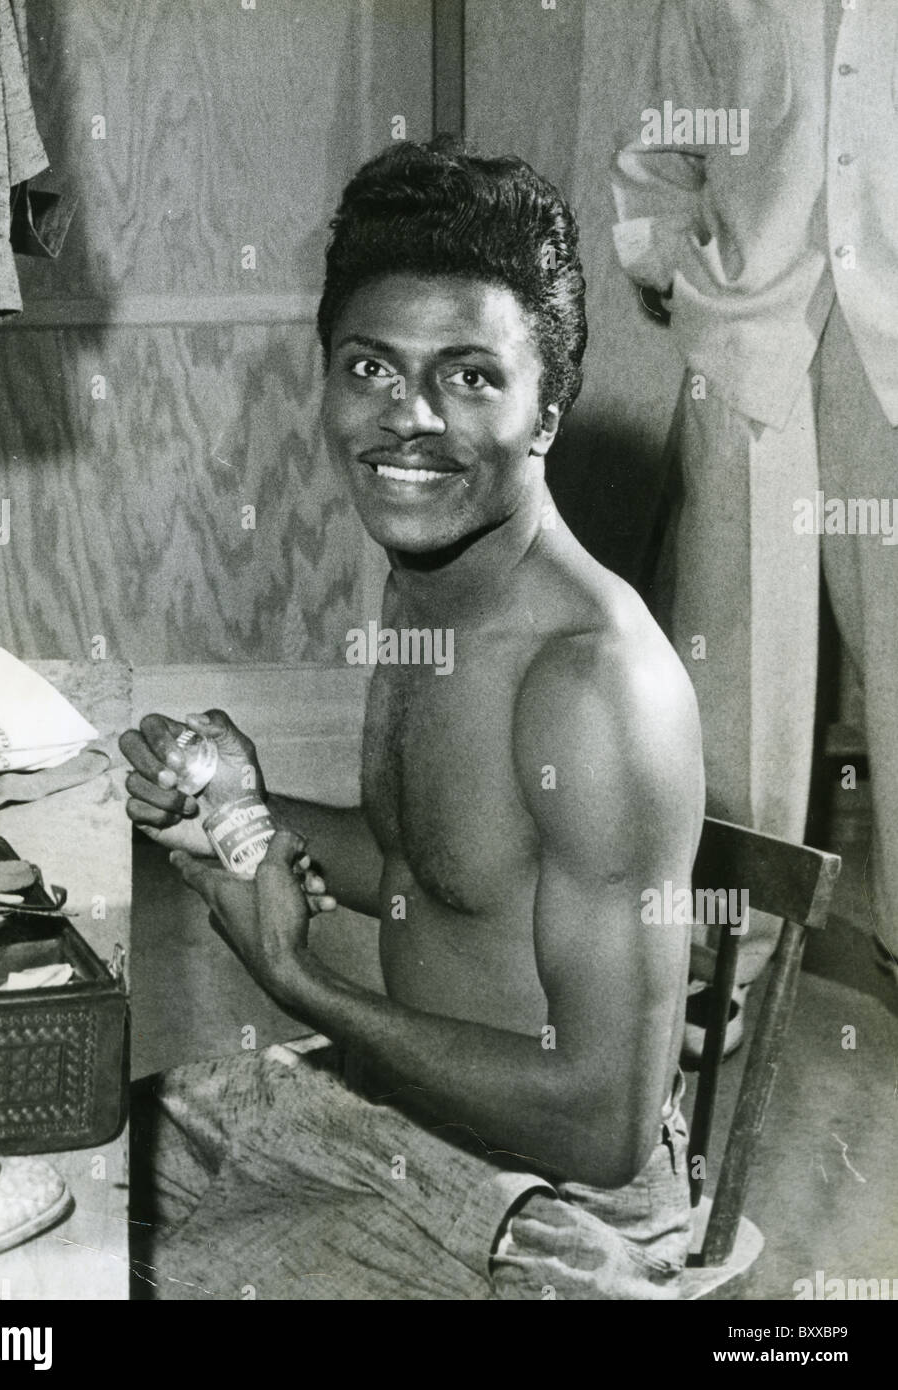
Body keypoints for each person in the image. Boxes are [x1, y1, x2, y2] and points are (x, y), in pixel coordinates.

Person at [121, 138, 705, 1301]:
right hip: (409, 1125)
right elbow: (434, 866)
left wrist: (299, 979)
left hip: (556, 1218)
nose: (408, 421)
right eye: (372, 368)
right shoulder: (431, 573)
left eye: (471, 377)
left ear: (548, 408)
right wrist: (235, 804)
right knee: (72, 1178)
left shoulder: (596, 687)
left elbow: (602, 1127)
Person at [611, 0, 898, 1056]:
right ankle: (721, 956)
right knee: (731, 666)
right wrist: (667, 267)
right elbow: (661, 132)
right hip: (753, 327)